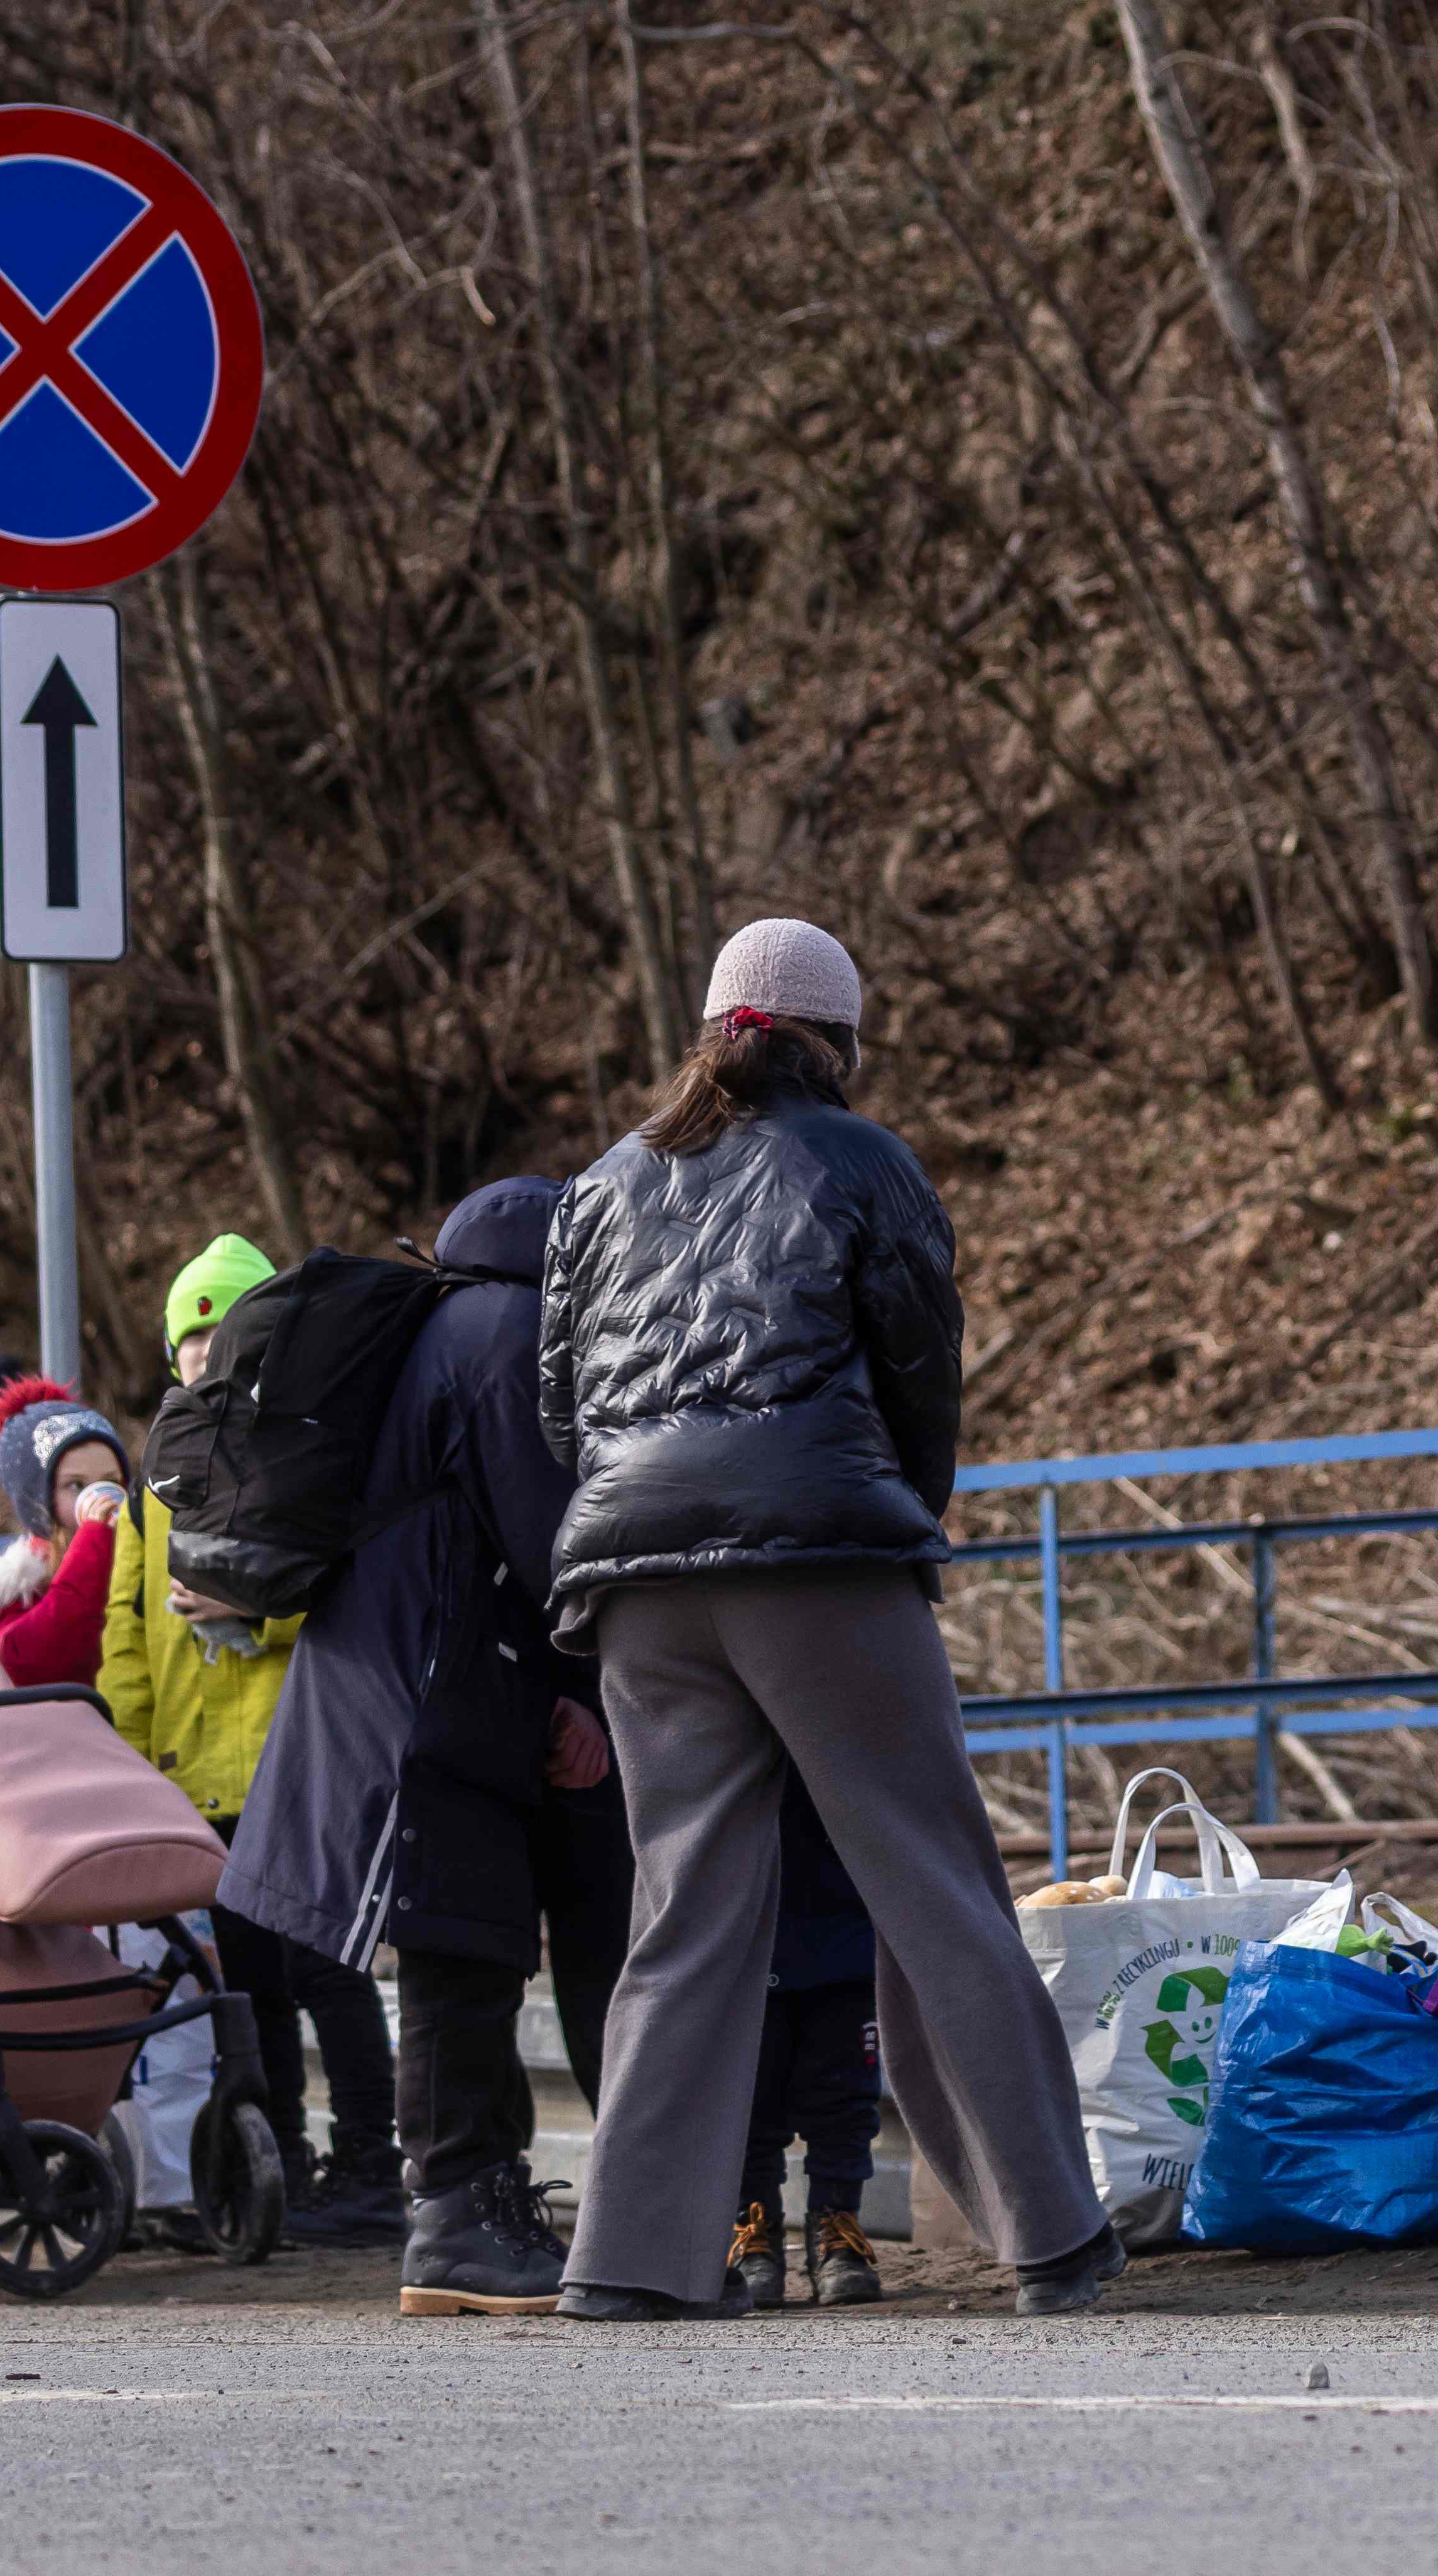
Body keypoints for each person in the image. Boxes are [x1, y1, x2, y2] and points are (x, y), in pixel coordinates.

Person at [536, 917, 1117, 2322]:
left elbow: (561, 1403)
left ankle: (625, 2262)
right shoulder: (861, 1159)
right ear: (834, 1038)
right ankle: (1049, 2236)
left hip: (633, 1575)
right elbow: (922, 1366)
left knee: (679, 1912)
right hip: (817, 1554)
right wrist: (898, 1517)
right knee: (931, 1879)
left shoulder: (603, 1182)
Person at [219, 1172, 632, 2317]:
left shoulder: (450, 1321)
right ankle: (455, 2218)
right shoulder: (500, 1330)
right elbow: (557, 1541)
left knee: (477, 1947)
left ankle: (479, 2205)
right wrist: (600, 1675)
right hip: (422, 1691)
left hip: (433, 1679)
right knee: (458, 1953)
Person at [100, 1278, 402, 2254]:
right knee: (252, 1993)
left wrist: (250, 1611)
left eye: (223, 1335)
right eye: (189, 1337)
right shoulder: (159, 1479)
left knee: (329, 1977)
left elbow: (346, 1600)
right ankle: (284, 2161)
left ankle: (368, 2164)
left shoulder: (309, 1455)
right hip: (197, 1785)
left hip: (298, 1767)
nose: (204, 1356)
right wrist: (137, 1771)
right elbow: (126, 1641)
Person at [730, 1773, 884, 2308]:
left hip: (844, 1914)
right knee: (746, 2100)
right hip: (743, 1916)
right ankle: (754, 2237)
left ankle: (837, 2232)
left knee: (844, 2093)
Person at [0, 1373, 131, 1686]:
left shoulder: (145, 1563)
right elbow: (39, 1659)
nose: (101, 1496)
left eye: (111, 1480)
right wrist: (94, 1540)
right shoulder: (2, 1602)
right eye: (76, 1485)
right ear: (36, 1502)